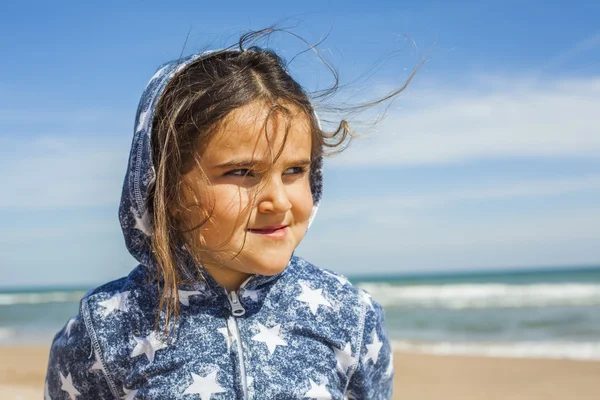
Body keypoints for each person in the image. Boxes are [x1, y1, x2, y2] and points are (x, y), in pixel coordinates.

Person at [45, 29, 408, 399]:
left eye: (295, 171)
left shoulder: (349, 314)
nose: (279, 202)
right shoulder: (105, 326)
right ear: (165, 187)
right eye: (242, 173)